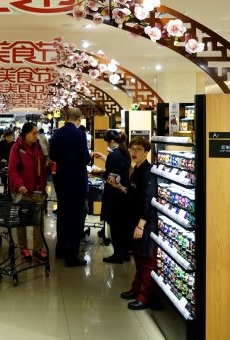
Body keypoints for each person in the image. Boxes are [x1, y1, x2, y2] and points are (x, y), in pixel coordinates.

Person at [115, 137, 158, 310]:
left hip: (145, 223)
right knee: (139, 258)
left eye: (139, 149)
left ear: (146, 152)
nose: (134, 152)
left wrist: (141, 225)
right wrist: (121, 188)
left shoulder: (148, 172)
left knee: (146, 260)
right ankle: (136, 289)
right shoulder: (136, 169)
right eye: (132, 148)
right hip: (135, 220)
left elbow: (147, 201)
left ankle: (144, 297)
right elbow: (135, 194)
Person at [49, 107, 91, 267]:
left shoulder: (57, 134)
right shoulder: (80, 134)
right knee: (76, 218)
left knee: (63, 215)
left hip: (61, 180)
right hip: (77, 182)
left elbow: (52, 155)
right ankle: (72, 256)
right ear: (79, 119)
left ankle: (60, 249)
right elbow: (85, 158)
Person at [8, 122, 48, 262]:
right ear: (25, 134)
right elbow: (12, 170)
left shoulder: (39, 146)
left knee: (38, 221)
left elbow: (42, 169)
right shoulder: (16, 148)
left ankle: (38, 249)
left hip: (37, 191)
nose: (36, 136)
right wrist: (20, 185)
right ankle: (23, 248)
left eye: (37, 133)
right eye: (34, 133)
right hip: (22, 192)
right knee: (22, 222)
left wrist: (43, 187)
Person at [93, 129, 131, 263]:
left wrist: (100, 173)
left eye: (107, 142)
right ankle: (125, 253)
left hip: (113, 194)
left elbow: (109, 175)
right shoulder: (125, 153)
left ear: (112, 141)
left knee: (114, 225)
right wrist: (105, 157)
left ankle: (117, 255)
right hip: (123, 192)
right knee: (122, 225)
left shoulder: (113, 155)